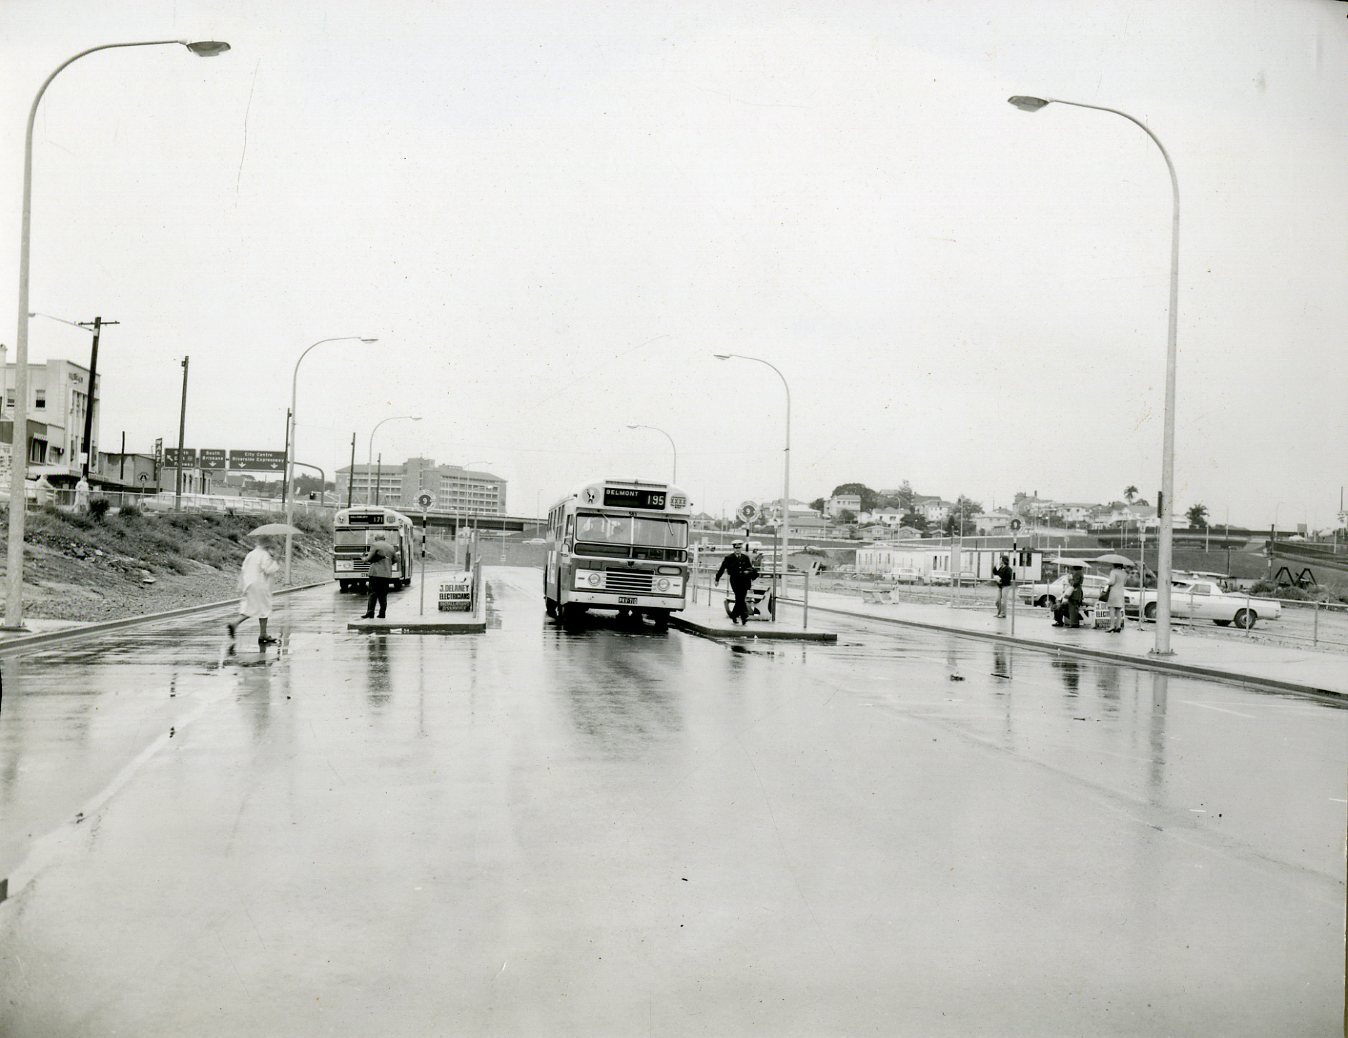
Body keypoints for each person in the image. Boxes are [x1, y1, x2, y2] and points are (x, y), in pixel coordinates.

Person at [227, 536, 280, 648]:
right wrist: (275, 560)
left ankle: (236, 624)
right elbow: (268, 570)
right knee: (264, 608)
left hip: (248, 584)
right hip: (260, 585)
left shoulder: (250, 554)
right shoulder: (265, 555)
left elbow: (243, 569)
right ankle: (262, 634)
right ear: (267, 545)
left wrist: (241, 584)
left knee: (250, 607)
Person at [715, 539, 758, 625]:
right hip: (735, 580)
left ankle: (734, 615)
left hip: (744, 580)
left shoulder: (745, 557)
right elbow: (722, 569)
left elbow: (750, 568)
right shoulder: (729, 558)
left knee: (740, 599)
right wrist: (717, 579)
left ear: (741, 548)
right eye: (736, 548)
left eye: (739, 548)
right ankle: (744, 616)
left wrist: (748, 572)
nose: (738, 550)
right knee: (740, 597)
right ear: (733, 548)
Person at [361, 531, 396, 619]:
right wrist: (387, 564)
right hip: (386, 574)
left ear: (376, 538)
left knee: (372, 593)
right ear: (384, 538)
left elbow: (369, 558)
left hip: (375, 574)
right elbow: (396, 559)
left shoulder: (375, 545)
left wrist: (363, 558)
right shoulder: (391, 547)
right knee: (383, 594)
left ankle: (370, 612)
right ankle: (382, 613)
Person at [1103, 561, 1128, 633]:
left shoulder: (1113, 572)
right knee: (1118, 610)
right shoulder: (1125, 573)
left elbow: (1112, 582)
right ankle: (1118, 626)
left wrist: (1106, 583)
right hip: (1121, 592)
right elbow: (1125, 583)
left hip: (1114, 592)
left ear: (1114, 565)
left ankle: (1111, 627)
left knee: (1112, 609)